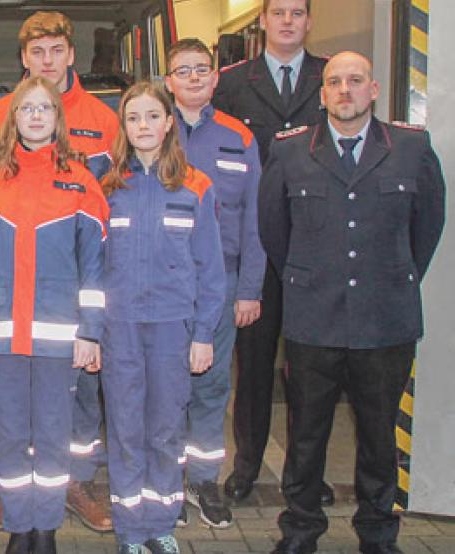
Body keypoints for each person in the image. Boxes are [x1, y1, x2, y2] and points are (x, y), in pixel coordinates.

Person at [259, 51, 445, 554]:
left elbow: (426, 227)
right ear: (322, 94)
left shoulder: (411, 148)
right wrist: (307, 279)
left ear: (374, 89)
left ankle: (378, 534)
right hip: (312, 320)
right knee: (305, 439)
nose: (345, 90)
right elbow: (274, 231)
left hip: (385, 322)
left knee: (380, 439)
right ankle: (299, 531)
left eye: (355, 81)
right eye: (334, 82)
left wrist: (391, 277)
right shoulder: (291, 153)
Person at [0, 10, 119, 533]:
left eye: (56, 50)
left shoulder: (103, 120)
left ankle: (70, 489)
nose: (47, 60)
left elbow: (100, 229)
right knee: (10, 421)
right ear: (23, 59)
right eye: (37, 52)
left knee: (69, 421)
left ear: (70, 54)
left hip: (65, 311)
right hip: (7, 314)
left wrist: (90, 327)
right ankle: (17, 506)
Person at [211, 0, 334, 505]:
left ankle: (307, 474)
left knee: (311, 369)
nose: (287, 21)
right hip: (256, 243)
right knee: (254, 364)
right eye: (278, 12)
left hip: (315, 244)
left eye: (297, 13)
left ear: (308, 21)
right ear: (262, 21)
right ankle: (246, 466)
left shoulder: (333, 78)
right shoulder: (232, 83)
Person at [100, 81, 225, 554]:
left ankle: (162, 525)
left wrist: (204, 334)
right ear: (124, 127)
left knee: (166, 429)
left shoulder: (196, 186)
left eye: (153, 116)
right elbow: (91, 264)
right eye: (134, 118)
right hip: (121, 328)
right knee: (126, 429)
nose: (143, 126)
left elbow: (211, 270)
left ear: (169, 122)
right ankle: (131, 532)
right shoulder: (109, 186)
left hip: (175, 328)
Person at [164, 39, 265, 529]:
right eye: (183, 71)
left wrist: (250, 288)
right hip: (163, 285)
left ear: (216, 76)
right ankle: (168, 481)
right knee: (167, 384)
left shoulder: (239, 138)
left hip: (220, 284)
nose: (193, 78)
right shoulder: (151, 133)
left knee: (211, 384)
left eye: (201, 69)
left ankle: (204, 479)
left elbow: (255, 223)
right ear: (169, 82)